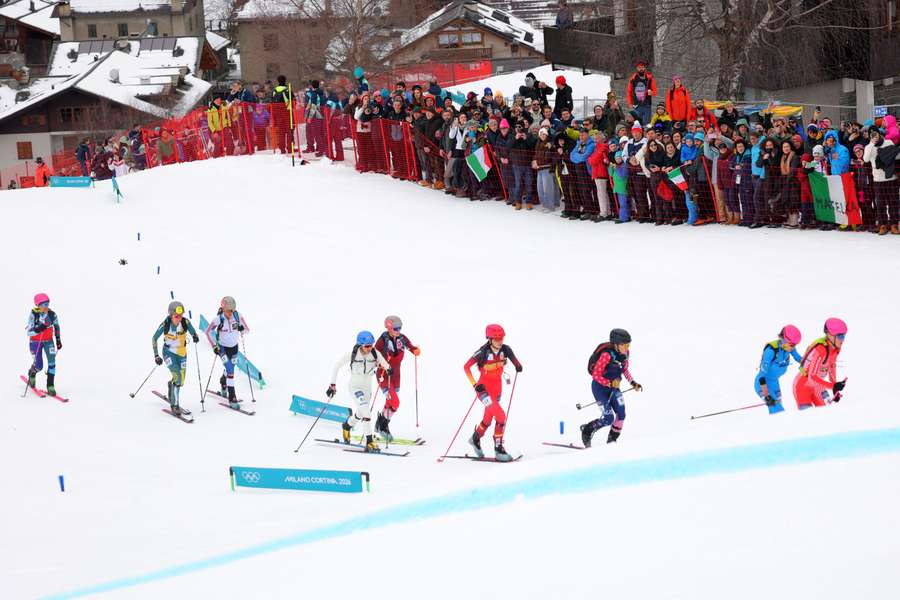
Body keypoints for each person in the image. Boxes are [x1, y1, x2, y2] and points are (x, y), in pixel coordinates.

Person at [465, 324, 522, 462]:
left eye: (501, 338)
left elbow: (516, 361)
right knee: (501, 417)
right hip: (483, 391)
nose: (500, 341)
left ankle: (475, 438)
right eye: (496, 339)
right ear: (490, 339)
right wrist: (474, 385)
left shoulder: (506, 349)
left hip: (497, 390)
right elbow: (466, 367)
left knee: (487, 420)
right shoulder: (483, 352)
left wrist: (518, 365)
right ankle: (499, 449)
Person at [328, 331, 391, 453]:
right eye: (366, 346)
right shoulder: (353, 354)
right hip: (355, 387)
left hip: (367, 389)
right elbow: (336, 366)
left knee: (361, 413)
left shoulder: (374, 353)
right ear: (360, 344)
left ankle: (347, 426)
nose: (369, 348)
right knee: (366, 411)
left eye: (371, 345)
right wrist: (332, 385)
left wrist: (389, 369)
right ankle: (370, 441)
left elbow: (386, 364)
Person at [580, 328, 642, 447]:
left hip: (614, 389)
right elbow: (596, 375)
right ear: (616, 344)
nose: (627, 348)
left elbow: (624, 369)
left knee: (621, 414)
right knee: (608, 418)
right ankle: (587, 430)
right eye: (624, 345)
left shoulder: (626, 354)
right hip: (599, 388)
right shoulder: (606, 356)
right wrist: (609, 383)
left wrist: (633, 382)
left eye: (628, 345)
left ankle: (612, 441)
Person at [373, 315, 420, 441]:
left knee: (391, 403)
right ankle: (383, 426)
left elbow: (410, 347)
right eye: (395, 328)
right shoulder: (383, 340)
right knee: (395, 402)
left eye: (400, 328)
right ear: (388, 328)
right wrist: (378, 362)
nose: (398, 331)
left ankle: (380, 424)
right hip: (384, 375)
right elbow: (373, 354)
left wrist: (415, 350)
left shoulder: (402, 338)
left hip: (396, 376)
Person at [152, 301, 200, 415]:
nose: (179, 318)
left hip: (182, 353)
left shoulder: (185, 322)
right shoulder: (165, 325)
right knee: (177, 377)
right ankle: (174, 404)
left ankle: (171, 385)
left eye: (181, 315)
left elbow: (194, 332)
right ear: (171, 315)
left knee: (181, 381)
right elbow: (154, 338)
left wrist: (195, 337)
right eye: (176, 316)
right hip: (168, 353)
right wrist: (156, 355)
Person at [792, 318, 847, 410]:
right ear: (830, 335)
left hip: (818, 386)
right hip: (802, 386)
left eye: (844, 336)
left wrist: (835, 388)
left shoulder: (836, 349)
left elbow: (832, 366)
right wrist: (832, 386)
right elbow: (812, 377)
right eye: (840, 336)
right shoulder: (821, 349)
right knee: (808, 420)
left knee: (828, 413)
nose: (843, 340)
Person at [205, 296, 249, 408]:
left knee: (231, 369)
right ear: (223, 309)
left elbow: (247, 329)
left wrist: (241, 329)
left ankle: (223, 381)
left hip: (234, 348)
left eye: (233, 309)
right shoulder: (218, 319)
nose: (231, 312)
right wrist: (214, 346)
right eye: (229, 310)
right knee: (230, 371)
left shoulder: (237, 316)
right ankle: (232, 398)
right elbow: (208, 331)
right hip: (222, 348)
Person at [755, 326, 803, 414]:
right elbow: (762, 375)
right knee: (778, 411)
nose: (793, 347)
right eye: (792, 345)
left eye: (795, 345)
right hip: (763, 385)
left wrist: (811, 363)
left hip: (775, 384)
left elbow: (799, 358)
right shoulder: (771, 351)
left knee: (778, 413)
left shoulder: (788, 347)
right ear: (784, 340)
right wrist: (766, 396)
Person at [863, 128, 898, 235]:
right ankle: (882, 225)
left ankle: (894, 224)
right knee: (880, 204)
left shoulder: (888, 142)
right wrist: (871, 144)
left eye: (876, 133)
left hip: (891, 178)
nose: (875, 136)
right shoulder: (869, 146)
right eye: (872, 135)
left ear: (879, 133)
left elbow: (895, 155)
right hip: (878, 179)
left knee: (893, 203)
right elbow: (866, 159)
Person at [26, 293, 61, 395]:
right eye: (43, 305)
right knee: (39, 366)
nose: (46, 307)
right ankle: (32, 373)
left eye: (47, 304)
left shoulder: (52, 314)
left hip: (48, 341)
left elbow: (57, 327)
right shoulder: (33, 315)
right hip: (35, 342)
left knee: (52, 362)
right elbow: (29, 332)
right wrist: (38, 329)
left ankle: (50, 385)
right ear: (38, 305)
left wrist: (58, 340)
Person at [626, 61, 657, 127]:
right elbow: (629, 92)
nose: (641, 69)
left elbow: (655, 92)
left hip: (647, 105)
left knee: (646, 125)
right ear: (637, 68)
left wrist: (651, 92)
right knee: (636, 124)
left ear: (645, 68)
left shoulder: (650, 78)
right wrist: (629, 103)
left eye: (642, 67)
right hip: (636, 106)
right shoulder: (633, 79)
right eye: (639, 67)